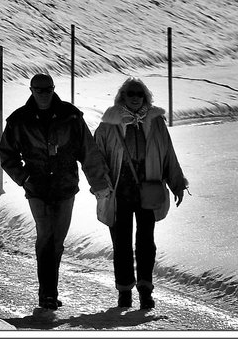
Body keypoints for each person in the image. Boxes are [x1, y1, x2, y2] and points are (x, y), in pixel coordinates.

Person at [0, 73, 100, 314]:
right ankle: (47, 295)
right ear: (31, 90)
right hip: (37, 189)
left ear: (54, 89)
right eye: (39, 90)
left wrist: (99, 184)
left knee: (57, 241)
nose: (44, 94)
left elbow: (88, 151)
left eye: (48, 89)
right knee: (45, 236)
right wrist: (25, 178)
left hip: (65, 187)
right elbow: (7, 154)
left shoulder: (71, 115)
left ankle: (50, 292)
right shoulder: (19, 120)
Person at [89, 77, 187, 311]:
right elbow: (96, 158)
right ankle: (124, 291)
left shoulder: (156, 121)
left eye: (139, 93)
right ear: (122, 96)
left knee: (146, 243)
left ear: (145, 97)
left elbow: (168, 154)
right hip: (119, 191)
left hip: (148, 189)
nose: (134, 97)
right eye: (130, 93)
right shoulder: (109, 123)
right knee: (121, 243)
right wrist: (100, 186)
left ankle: (145, 289)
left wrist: (177, 183)